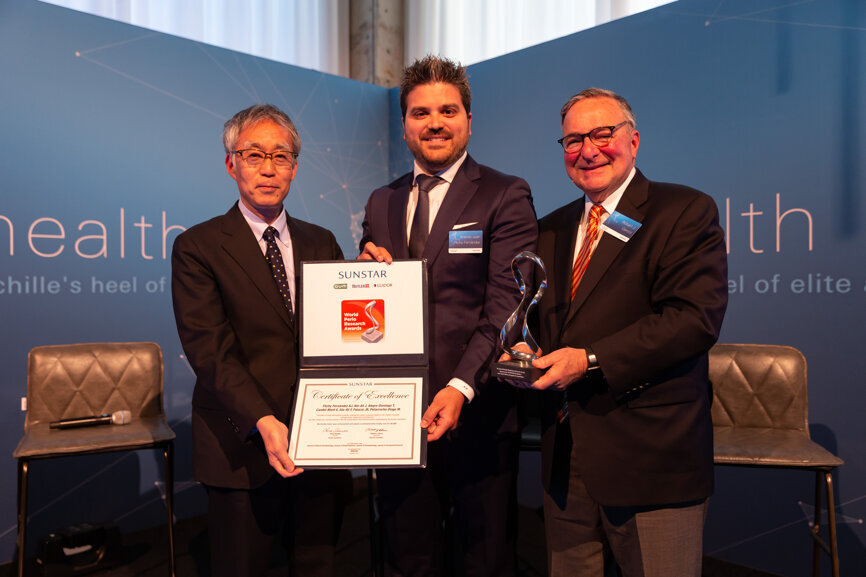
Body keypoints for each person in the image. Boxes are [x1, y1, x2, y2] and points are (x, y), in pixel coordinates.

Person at [522, 88, 728, 576]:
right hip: (566, 459)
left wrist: (588, 359)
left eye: (602, 134)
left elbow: (693, 319)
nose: (588, 149)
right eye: (573, 140)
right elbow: (537, 319)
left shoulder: (683, 211)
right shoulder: (549, 228)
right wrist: (521, 345)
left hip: (651, 460)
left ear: (633, 141)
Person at [358, 55, 538, 577]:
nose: (434, 123)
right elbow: (368, 307)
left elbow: (508, 303)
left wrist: (460, 386)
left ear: (468, 118)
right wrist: (362, 272)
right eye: (420, 113)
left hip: (477, 410)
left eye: (447, 110)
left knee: (484, 558)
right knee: (406, 557)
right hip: (397, 419)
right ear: (404, 123)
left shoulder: (505, 192)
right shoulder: (381, 200)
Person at [171, 104, 350, 577]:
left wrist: (374, 276)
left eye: (282, 156)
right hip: (242, 443)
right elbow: (210, 352)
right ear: (231, 164)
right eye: (254, 155)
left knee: (316, 563)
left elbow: (344, 333)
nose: (269, 168)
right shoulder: (198, 247)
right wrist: (264, 420)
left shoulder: (323, 241)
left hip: (320, 442)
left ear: (295, 167)